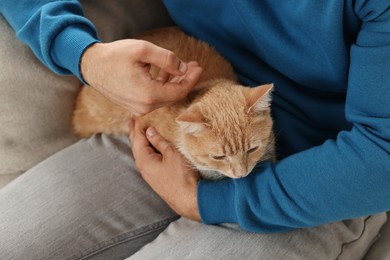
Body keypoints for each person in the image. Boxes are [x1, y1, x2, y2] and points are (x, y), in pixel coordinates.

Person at [0, 0, 389, 259]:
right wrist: (82, 53)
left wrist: (203, 202)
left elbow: (382, 158)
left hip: (326, 169)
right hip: (179, 118)